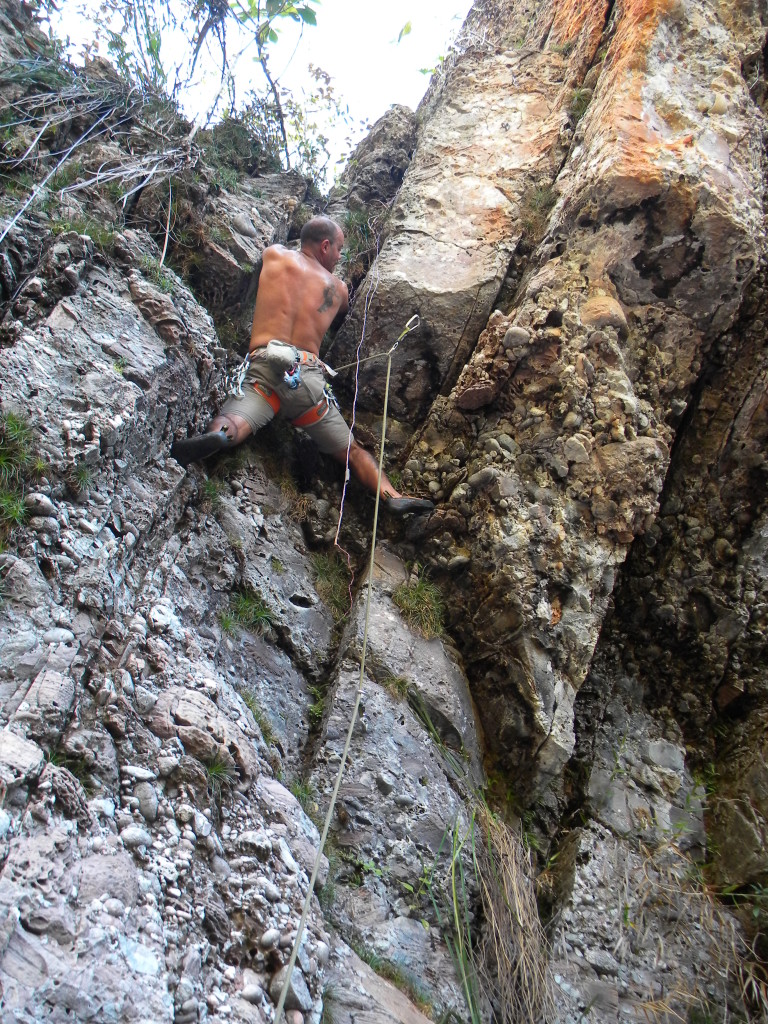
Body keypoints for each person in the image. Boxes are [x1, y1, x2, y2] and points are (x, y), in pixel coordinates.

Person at [171, 216, 433, 515]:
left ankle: (220, 435)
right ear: (325, 245)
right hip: (307, 382)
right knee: (353, 451)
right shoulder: (337, 289)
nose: (339, 257)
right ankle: (390, 494)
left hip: (265, 370)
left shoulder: (274, 255)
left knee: (234, 419)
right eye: (338, 249)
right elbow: (344, 311)